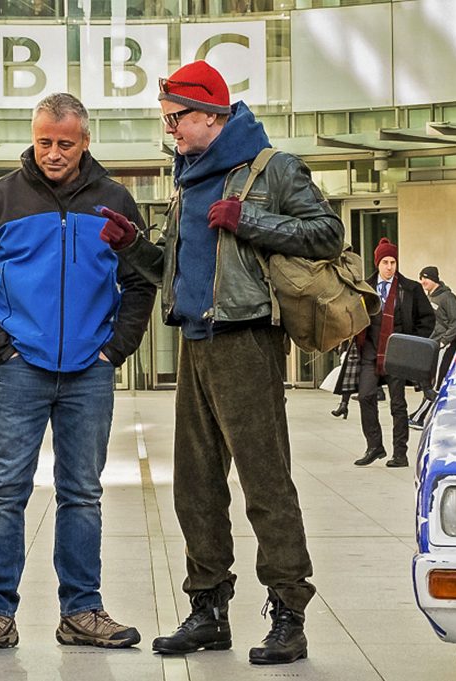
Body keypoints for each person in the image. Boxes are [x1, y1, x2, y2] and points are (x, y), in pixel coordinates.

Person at [101, 60, 343, 665]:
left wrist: (251, 219)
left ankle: (289, 613)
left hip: (247, 343)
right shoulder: (188, 179)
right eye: (168, 121)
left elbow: (328, 234)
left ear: (211, 114)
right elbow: (178, 277)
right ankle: (208, 609)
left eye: (176, 119)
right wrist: (134, 247)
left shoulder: (272, 168)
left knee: (266, 484)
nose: (171, 131)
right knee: (196, 488)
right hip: (196, 345)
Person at [0, 92, 156, 653]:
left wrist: (117, 349)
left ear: (85, 141)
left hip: (90, 371)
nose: (54, 153)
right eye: (45, 142)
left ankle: (82, 611)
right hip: (20, 370)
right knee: (5, 492)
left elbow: (141, 281)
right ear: (34, 136)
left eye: (65, 143)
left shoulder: (114, 202)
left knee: (82, 494)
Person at [353, 238, 435, 468]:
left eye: (393, 262)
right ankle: (375, 446)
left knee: (398, 405)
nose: (390, 266)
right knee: (366, 395)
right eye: (386, 262)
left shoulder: (410, 288)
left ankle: (400, 453)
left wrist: (412, 343)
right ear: (377, 263)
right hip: (370, 352)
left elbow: (427, 319)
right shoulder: (365, 287)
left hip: (397, 354)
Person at [408, 266, 456, 428]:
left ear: (434, 279)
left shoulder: (447, 297)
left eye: (425, 278)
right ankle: (420, 413)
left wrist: (444, 341)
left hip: (443, 347)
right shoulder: (429, 297)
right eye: (421, 278)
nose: (422, 281)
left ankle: (420, 418)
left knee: (436, 384)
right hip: (431, 347)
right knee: (428, 382)